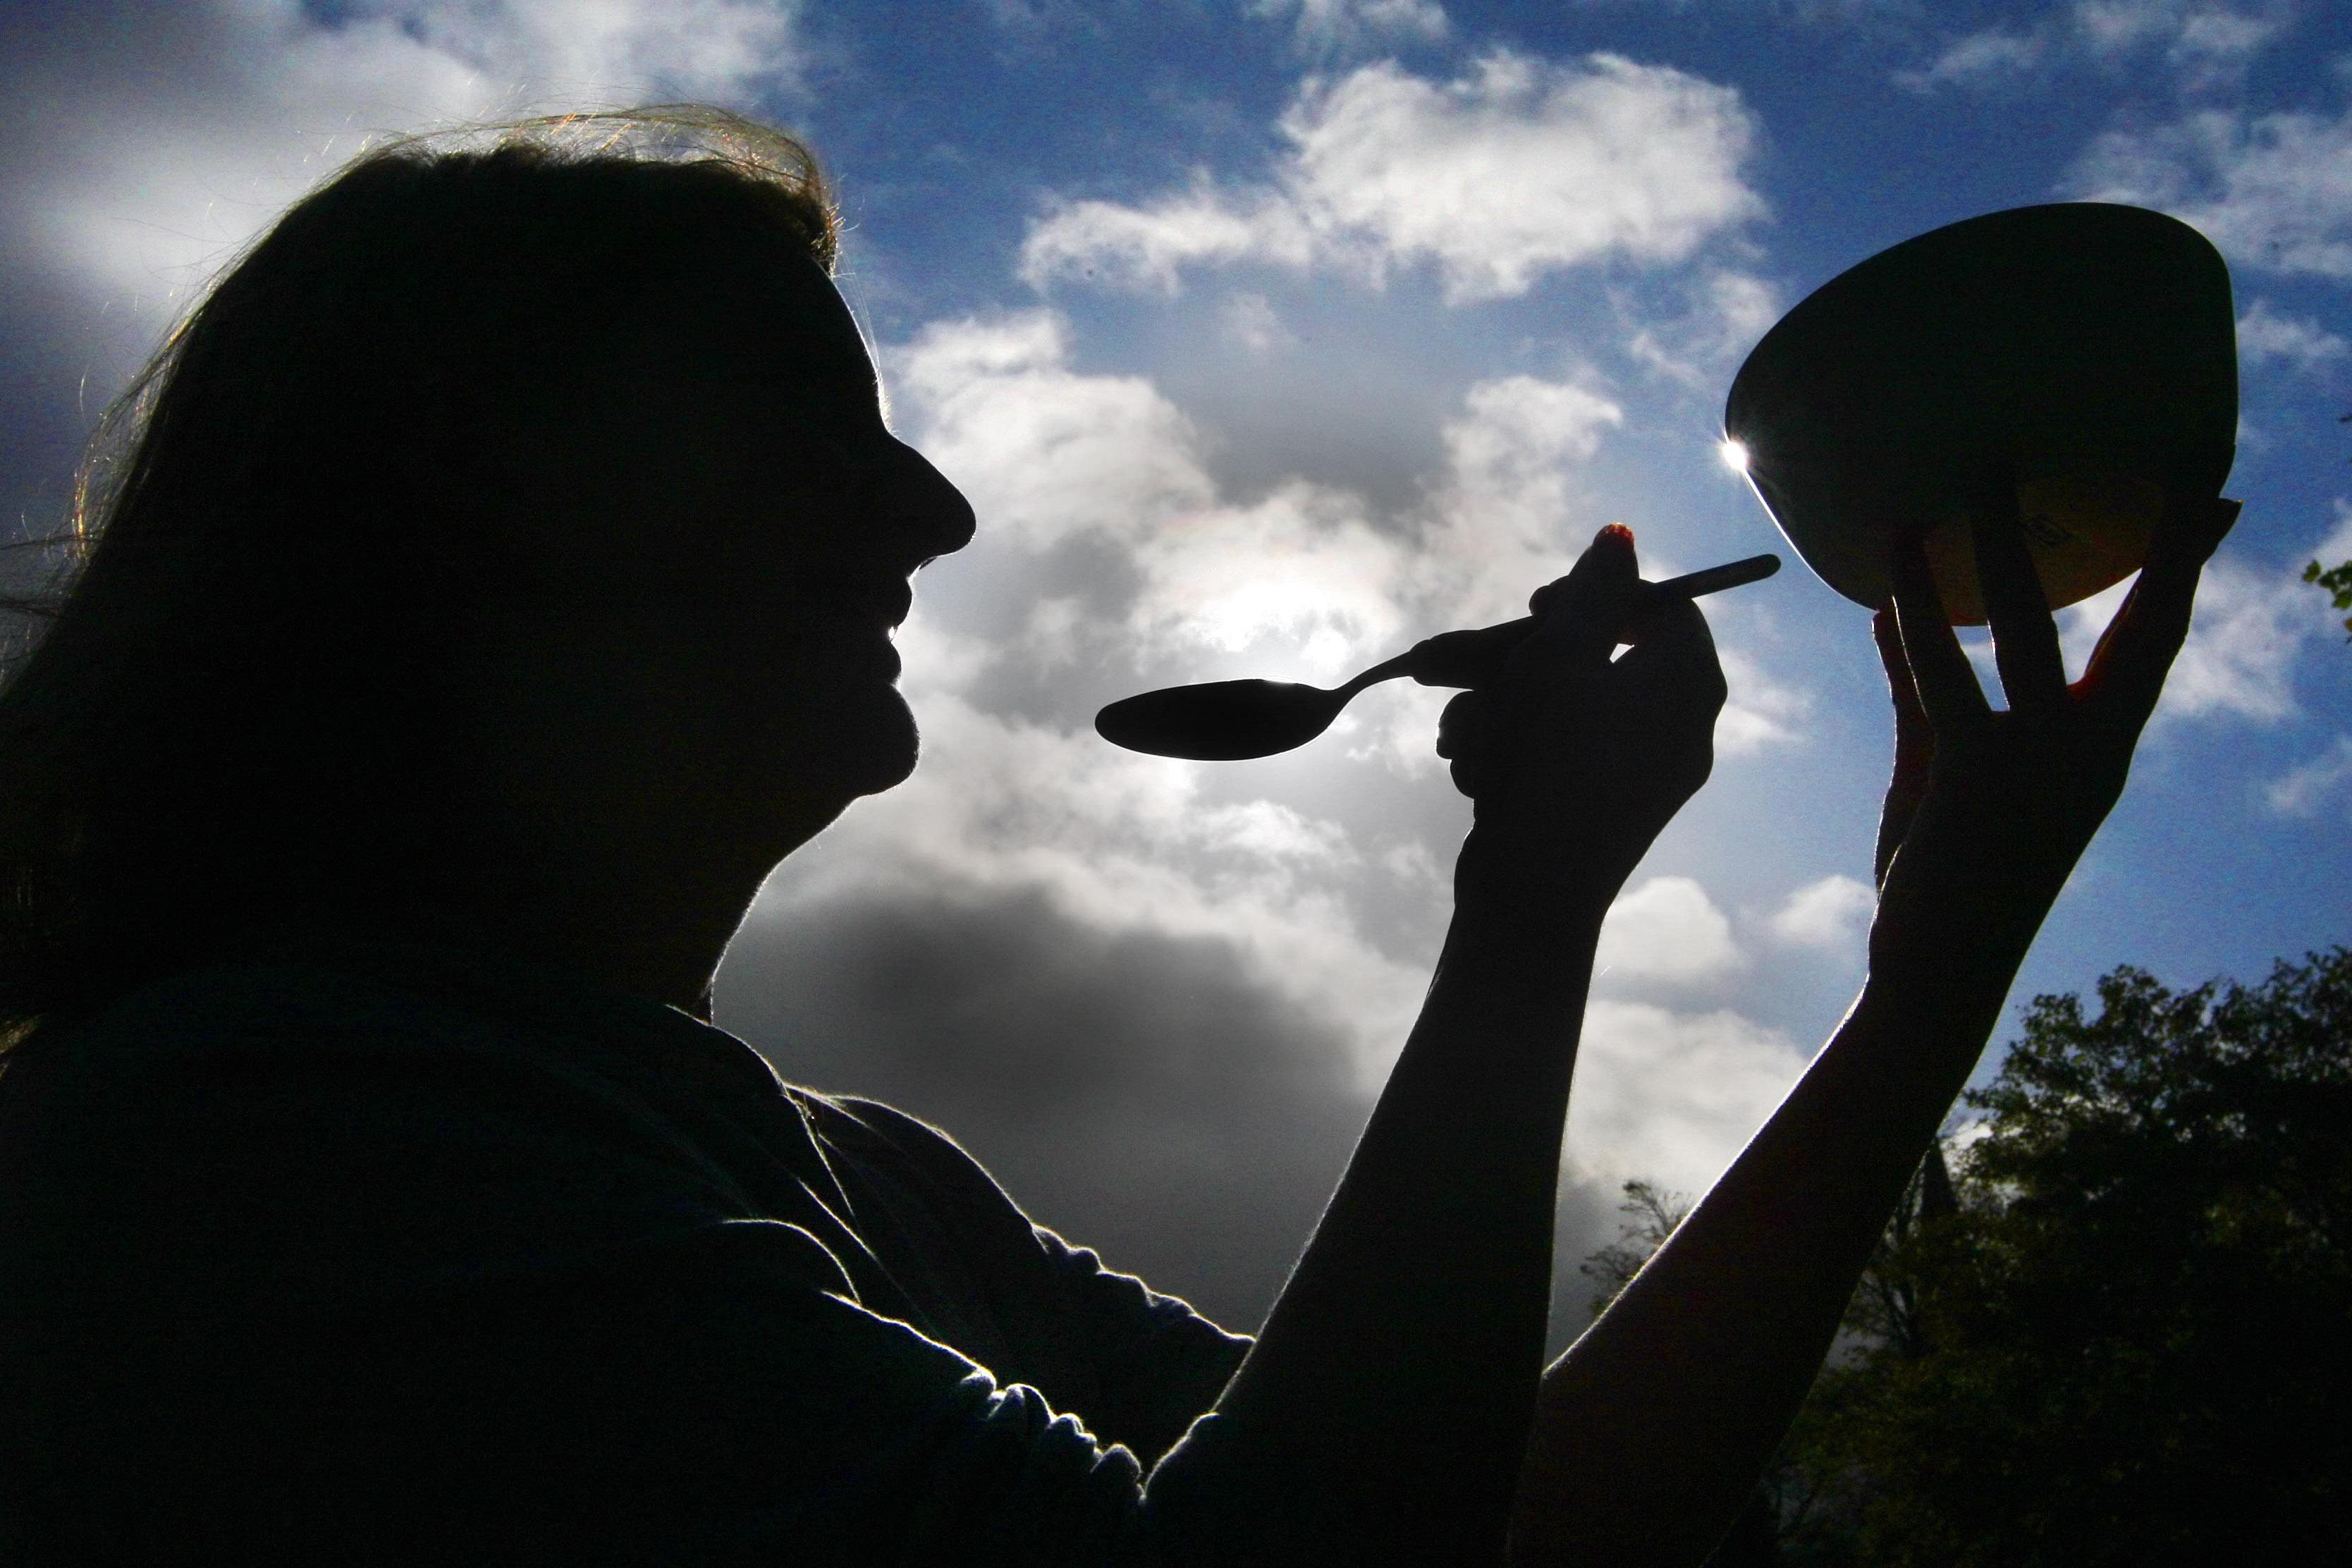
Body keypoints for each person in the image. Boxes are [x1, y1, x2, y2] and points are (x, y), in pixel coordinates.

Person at [0, 109, 2238, 1565]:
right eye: (815, 420)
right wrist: (1530, 911)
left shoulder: (873, 1184)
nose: (938, 512)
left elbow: (1507, 1523)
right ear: (480, 476)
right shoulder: (264, 1144)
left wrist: (1925, 988)